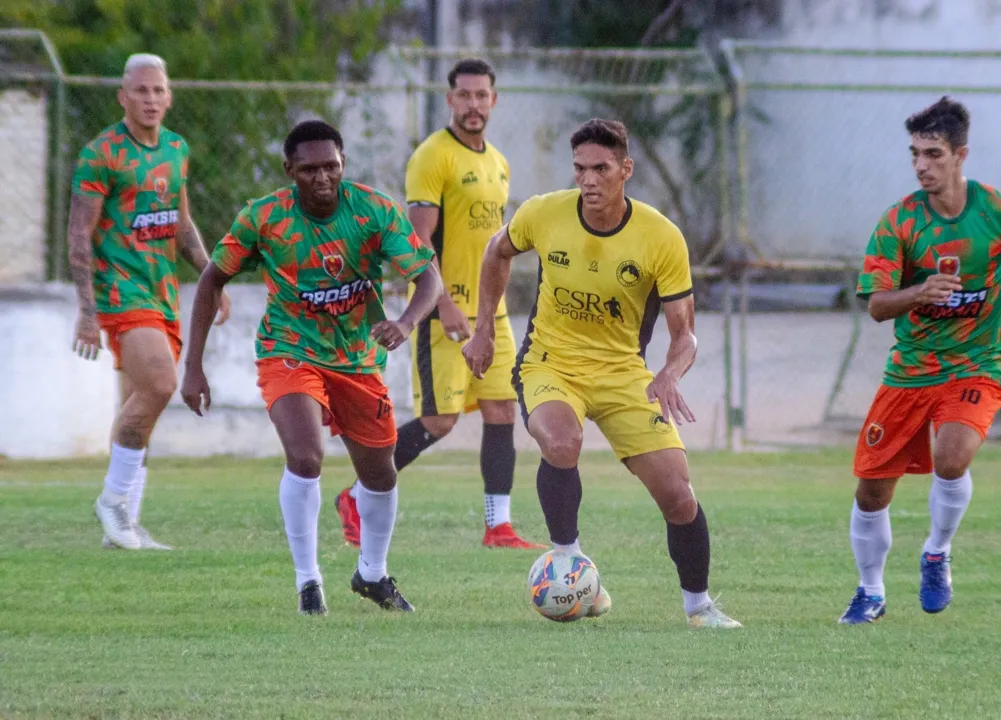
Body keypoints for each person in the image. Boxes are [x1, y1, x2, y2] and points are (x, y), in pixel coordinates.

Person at [462, 118, 742, 629]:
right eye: (580, 169)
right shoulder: (543, 213)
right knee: (562, 442)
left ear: (625, 170)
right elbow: (495, 252)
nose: (588, 180)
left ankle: (699, 607)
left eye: (600, 168)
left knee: (679, 497)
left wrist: (671, 373)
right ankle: (570, 564)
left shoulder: (661, 237)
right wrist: (483, 329)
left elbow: (686, 334)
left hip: (624, 373)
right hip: (550, 362)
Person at [839, 96, 1001, 624]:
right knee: (870, 491)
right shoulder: (900, 223)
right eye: (914, 154)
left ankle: (937, 552)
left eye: (933, 153)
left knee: (952, 457)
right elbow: (878, 306)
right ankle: (871, 591)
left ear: (960, 155)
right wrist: (919, 292)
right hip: (910, 370)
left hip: (979, 363)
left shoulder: (1000, 213)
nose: (922, 165)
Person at [180, 120, 442, 615]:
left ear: (342, 165)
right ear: (290, 171)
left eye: (331, 167)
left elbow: (428, 277)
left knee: (380, 474)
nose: (322, 177)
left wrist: (406, 322)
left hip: (358, 358)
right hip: (289, 349)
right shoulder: (264, 218)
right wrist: (192, 366)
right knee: (306, 457)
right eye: (310, 169)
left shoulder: (373, 210)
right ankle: (308, 584)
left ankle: (372, 574)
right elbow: (212, 279)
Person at [335, 59, 543, 550]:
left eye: (482, 95)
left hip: (489, 314)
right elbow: (416, 241)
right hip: (441, 312)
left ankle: (499, 526)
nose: (473, 104)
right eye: (464, 95)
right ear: (450, 99)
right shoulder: (433, 156)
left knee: (501, 410)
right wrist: (444, 304)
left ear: (495, 100)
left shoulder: (498, 161)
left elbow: (495, 247)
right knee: (439, 421)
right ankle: (355, 494)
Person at [69, 53, 230, 551]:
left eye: (158, 90)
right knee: (161, 384)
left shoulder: (176, 149)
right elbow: (79, 234)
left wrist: (211, 277)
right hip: (121, 292)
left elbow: (180, 224)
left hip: (163, 295)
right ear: (122, 96)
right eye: (141, 90)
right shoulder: (102, 154)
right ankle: (113, 501)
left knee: (138, 409)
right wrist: (88, 312)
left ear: (170, 96)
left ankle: (126, 525)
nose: (151, 99)